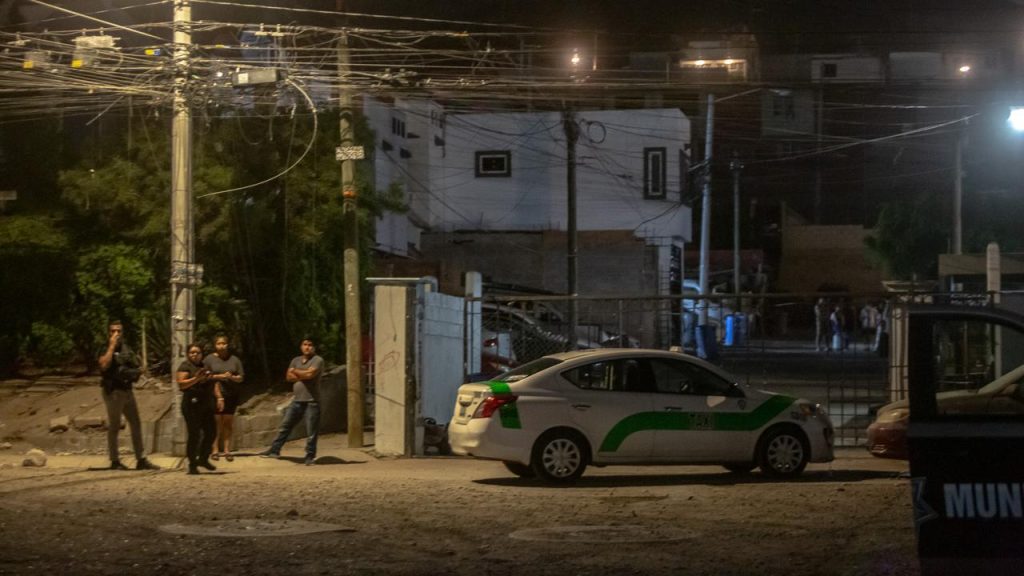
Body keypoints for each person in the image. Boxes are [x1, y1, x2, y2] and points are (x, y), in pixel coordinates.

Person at [97, 320, 159, 471]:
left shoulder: (126, 349)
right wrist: (111, 346)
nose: (116, 334)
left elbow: (134, 365)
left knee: (136, 423)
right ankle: (114, 460)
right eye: (113, 331)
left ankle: (141, 459)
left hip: (127, 390)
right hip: (113, 392)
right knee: (115, 426)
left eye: (119, 331)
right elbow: (104, 365)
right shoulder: (104, 347)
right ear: (108, 333)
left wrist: (137, 371)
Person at [260, 337, 324, 465]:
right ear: (301, 346)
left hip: (312, 401)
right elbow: (289, 377)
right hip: (297, 400)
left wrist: (296, 371)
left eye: (310, 345)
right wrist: (302, 373)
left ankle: (310, 456)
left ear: (314, 347)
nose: (307, 347)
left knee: (311, 431)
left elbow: (310, 375)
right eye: (305, 344)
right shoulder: (295, 360)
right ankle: (274, 450)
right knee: (285, 426)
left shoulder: (318, 360)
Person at [176, 343, 220, 475]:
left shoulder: (205, 366)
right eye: (192, 352)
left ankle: (203, 458)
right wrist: (196, 378)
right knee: (194, 434)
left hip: (205, 404)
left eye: (198, 352)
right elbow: (181, 384)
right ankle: (192, 464)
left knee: (211, 432)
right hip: (191, 404)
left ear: (202, 354)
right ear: (188, 354)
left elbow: (213, 383)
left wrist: (219, 398)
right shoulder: (185, 366)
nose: (195, 355)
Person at [204, 335, 245, 462]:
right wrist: (220, 376)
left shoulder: (234, 360)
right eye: (219, 343)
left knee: (228, 422)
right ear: (215, 345)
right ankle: (215, 449)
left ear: (227, 345)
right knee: (216, 422)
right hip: (215, 393)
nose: (221, 346)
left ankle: (227, 449)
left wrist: (232, 377)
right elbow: (205, 376)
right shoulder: (209, 359)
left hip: (231, 393)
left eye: (224, 343)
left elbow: (241, 377)